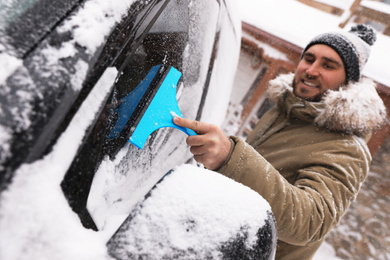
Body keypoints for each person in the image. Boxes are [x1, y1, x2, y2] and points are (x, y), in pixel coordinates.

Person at [173, 24, 387, 259]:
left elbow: (309, 222)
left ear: (348, 81)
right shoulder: (287, 109)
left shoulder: (347, 148)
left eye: (328, 65)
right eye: (309, 58)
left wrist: (230, 157)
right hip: (216, 241)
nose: (311, 70)